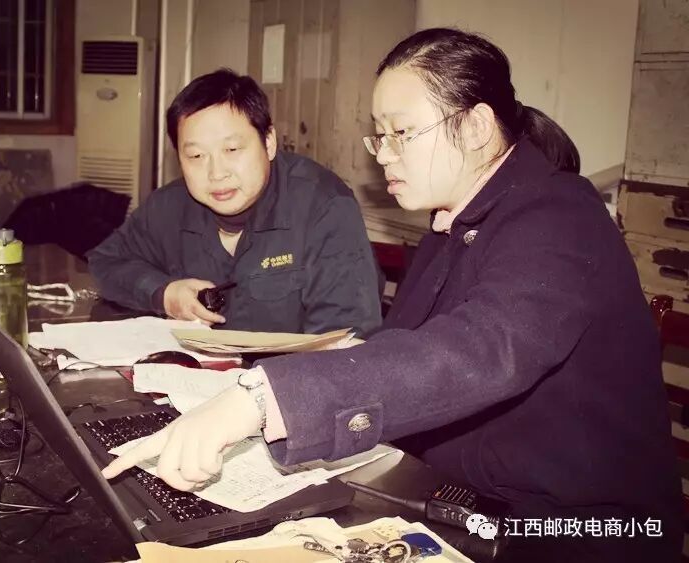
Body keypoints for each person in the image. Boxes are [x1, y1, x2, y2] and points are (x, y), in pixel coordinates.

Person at [101, 30, 682, 562]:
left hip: (580, 529)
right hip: (462, 498)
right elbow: (401, 347)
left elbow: (480, 348)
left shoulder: (560, 215)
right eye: (379, 135)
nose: (382, 154)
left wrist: (263, 400)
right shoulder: (450, 223)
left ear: (476, 127)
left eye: (400, 133)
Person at [87, 69, 381, 336]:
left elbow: (343, 340)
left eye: (231, 149)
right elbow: (106, 262)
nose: (216, 173)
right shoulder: (168, 207)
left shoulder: (323, 206)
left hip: (290, 377)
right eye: (196, 156)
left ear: (269, 142)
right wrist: (164, 295)